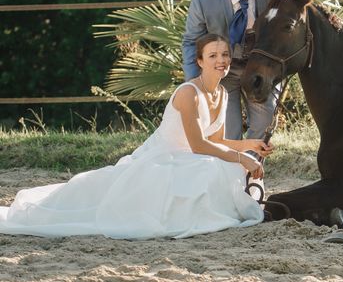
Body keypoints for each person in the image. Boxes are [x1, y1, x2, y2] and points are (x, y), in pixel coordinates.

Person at [0, 34, 273, 240]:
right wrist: (241, 158)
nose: (221, 61)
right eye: (213, 56)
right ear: (199, 61)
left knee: (225, 164)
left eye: (225, 55)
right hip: (163, 158)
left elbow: (217, 139)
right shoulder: (189, 93)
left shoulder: (222, 93)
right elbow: (199, 144)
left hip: (190, 157)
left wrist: (249, 146)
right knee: (215, 166)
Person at [182, 0, 280, 141]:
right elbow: (191, 41)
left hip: (260, 67)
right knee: (227, 131)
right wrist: (194, 86)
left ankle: (251, 170)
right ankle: (232, 170)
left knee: (264, 121)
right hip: (224, 69)